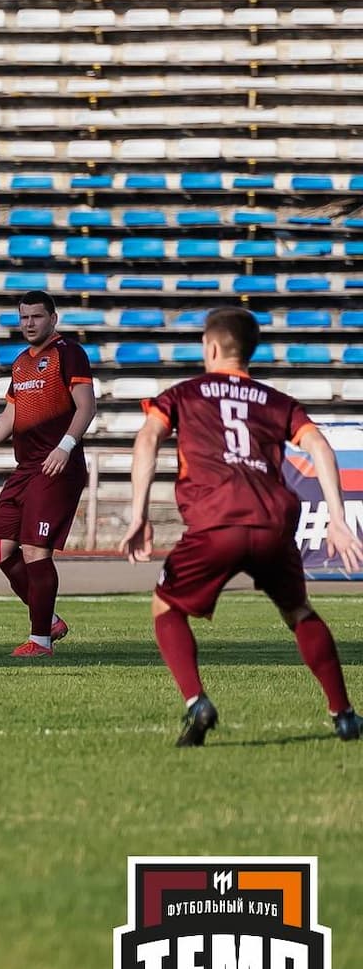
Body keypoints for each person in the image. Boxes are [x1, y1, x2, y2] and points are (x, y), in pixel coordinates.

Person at [122, 307, 363, 746]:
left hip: (216, 521)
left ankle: (197, 702)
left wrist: (138, 512)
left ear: (211, 347)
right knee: (299, 612)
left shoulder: (184, 393)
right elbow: (319, 445)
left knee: (166, 607)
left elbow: (148, 437)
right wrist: (338, 518)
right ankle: (344, 715)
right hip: (273, 521)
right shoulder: (277, 402)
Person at [0, 290, 96, 656]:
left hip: (57, 467)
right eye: (24, 318)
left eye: (36, 317)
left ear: (53, 318)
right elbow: (10, 417)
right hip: (26, 468)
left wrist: (65, 447)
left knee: (36, 551)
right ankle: (49, 619)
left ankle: (41, 641)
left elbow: (87, 407)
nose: (29, 324)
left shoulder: (68, 353)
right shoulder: (21, 363)